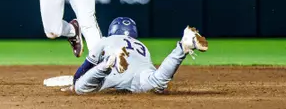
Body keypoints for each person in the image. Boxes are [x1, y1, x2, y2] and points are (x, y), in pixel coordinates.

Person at [68, 17, 208, 94]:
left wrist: (74, 83)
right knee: (156, 82)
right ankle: (182, 47)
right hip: (139, 76)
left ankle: (106, 65)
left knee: (81, 87)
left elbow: (85, 67)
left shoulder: (106, 40)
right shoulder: (142, 46)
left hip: (114, 75)